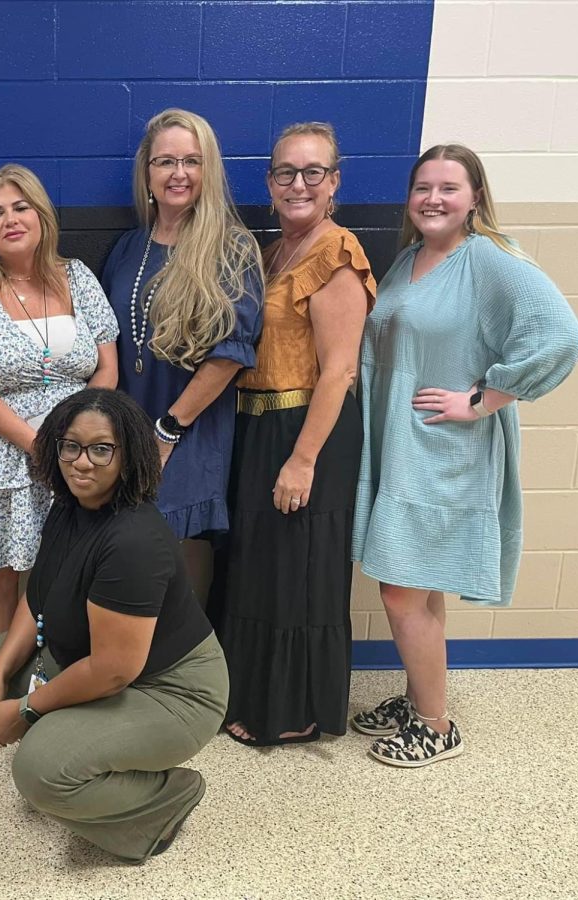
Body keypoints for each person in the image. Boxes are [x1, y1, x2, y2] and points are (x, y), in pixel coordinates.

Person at [352, 144, 578, 767]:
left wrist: (483, 399)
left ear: (475, 197)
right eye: (422, 186)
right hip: (404, 448)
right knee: (420, 588)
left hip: (445, 452)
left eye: (448, 187)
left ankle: (436, 725)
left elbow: (562, 337)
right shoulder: (409, 260)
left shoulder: (489, 260)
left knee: (401, 591)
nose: (432, 198)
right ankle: (417, 695)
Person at [0, 388, 228, 862]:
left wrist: (26, 710)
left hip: (172, 691)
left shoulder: (133, 540)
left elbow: (113, 669)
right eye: (71, 446)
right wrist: (2, 675)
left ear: (127, 455)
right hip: (110, 667)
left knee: (38, 773)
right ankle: (78, 748)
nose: (81, 463)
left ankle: (164, 799)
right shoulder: (69, 505)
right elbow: (39, 595)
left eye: (101, 449)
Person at [211, 122, 376, 747]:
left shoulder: (338, 253)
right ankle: (250, 694)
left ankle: (294, 709)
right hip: (258, 425)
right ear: (270, 182)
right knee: (261, 566)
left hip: (308, 430)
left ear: (334, 181)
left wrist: (303, 459)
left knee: (298, 569)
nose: (298, 183)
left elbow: (339, 369)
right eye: (286, 172)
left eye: (313, 172)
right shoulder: (273, 251)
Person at [0, 164, 118, 638]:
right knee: (4, 578)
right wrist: (39, 445)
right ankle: (0, 681)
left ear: (41, 215)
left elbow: (107, 368)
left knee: (70, 571)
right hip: (2, 456)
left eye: (20, 207)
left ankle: (59, 677)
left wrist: (76, 441)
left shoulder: (78, 278)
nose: (10, 219)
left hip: (77, 455)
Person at [101, 108, 263, 546]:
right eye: (165, 161)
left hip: (185, 429)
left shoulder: (231, 248)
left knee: (166, 555)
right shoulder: (128, 248)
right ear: (147, 172)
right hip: (129, 430)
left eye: (191, 161)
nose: (178, 173)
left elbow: (231, 355)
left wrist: (168, 431)